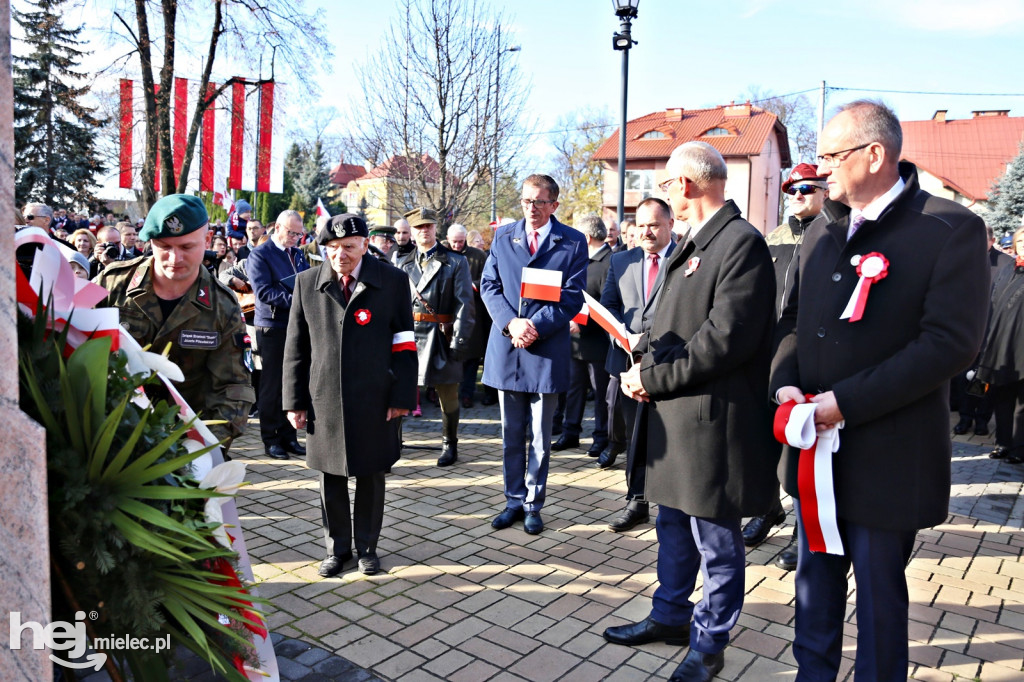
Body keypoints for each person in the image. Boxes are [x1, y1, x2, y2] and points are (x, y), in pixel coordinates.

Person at [771, 100, 988, 680]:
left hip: (888, 458)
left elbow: (948, 345)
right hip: (815, 452)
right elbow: (792, 323)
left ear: (875, 154)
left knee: (878, 603)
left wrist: (844, 404)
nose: (819, 171)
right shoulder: (821, 229)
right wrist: (785, 385)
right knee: (813, 591)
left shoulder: (949, 228)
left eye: (831, 156)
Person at [605, 142, 778, 681]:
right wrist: (640, 350)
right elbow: (673, 321)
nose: (661, 194)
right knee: (673, 526)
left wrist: (652, 378)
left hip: (709, 421)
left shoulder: (740, 243)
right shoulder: (692, 243)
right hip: (673, 417)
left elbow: (725, 341)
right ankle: (670, 615)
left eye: (663, 184)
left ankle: (709, 642)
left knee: (717, 540)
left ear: (684, 185)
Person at [282, 213, 416, 578]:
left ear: (365, 243)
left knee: (372, 473)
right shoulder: (306, 283)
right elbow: (296, 348)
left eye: (349, 247)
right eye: (333, 248)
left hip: (376, 397)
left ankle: (368, 547)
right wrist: (293, 401)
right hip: (323, 397)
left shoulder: (392, 281)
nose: (341, 255)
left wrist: (402, 396)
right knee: (330, 476)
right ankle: (336, 549)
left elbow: (404, 342)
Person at [96, 194, 255, 451]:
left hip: (185, 442)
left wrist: (203, 450)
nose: (174, 258)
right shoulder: (113, 284)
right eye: (164, 246)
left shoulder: (222, 305)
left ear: (206, 241)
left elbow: (232, 389)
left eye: (186, 247)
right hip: (109, 435)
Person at [480, 174, 588, 535]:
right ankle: (512, 500)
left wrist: (534, 326)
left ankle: (532, 503)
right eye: (526, 201)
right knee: (512, 433)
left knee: (541, 437)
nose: (532, 208)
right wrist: (512, 324)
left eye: (540, 202)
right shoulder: (503, 235)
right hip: (508, 347)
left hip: (545, 352)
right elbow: (489, 285)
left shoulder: (572, 242)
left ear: (554, 205)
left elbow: (573, 297)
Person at [743, 163, 832, 571]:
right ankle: (767, 508)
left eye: (805, 189)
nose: (795, 196)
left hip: (808, 357)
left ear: (825, 191)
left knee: (801, 446)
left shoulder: (832, 234)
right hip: (768, 355)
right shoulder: (772, 239)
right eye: (790, 190)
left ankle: (802, 525)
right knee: (763, 438)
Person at [598, 197, 676, 531]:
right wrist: (621, 336)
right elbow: (608, 304)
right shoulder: (621, 261)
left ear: (670, 223)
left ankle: (674, 502)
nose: (646, 232)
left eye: (654, 225)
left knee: (671, 436)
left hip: (669, 363)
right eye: (641, 225)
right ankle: (637, 500)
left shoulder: (685, 259)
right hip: (628, 362)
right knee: (634, 436)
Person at [395, 208, 475, 467]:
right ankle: (392, 443)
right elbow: (393, 304)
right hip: (408, 335)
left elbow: (465, 305)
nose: (424, 231)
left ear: (435, 228)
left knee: (448, 392)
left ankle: (449, 444)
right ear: (413, 232)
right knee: (398, 390)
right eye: (418, 228)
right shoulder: (402, 262)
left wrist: (459, 342)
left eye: (428, 226)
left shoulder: (455, 261)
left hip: (441, 335)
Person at [248, 209, 310, 460]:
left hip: (296, 326)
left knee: (293, 383)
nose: (296, 237)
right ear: (277, 228)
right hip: (272, 327)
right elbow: (263, 292)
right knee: (272, 385)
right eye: (291, 232)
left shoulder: (297, 254)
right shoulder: (260, 255)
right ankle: (270, 438)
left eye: (299, 233)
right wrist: (298, 300)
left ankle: (289, 436)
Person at [552, 214, 614, 457]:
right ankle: (570, 432)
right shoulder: (578, 260)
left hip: (597, 341)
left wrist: (583, 323)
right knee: (573, 388)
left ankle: (601, 437)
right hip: (574, 340)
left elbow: (607, 303)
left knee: (600, 393)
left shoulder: (611, 261)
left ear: (586, 237)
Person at [953, 222, 1013, 437]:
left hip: (992, 331)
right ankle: (965, 418)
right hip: (966, 331)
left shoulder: (1006, 263)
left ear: (992, 241)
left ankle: (982, 420)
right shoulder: (962, 260)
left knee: (985, 379)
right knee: (963, 379)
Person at [977, 224, 1024, 463]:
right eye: (1021, 242)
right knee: (1002, 398)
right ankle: (1003, 443)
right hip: (1000, 344)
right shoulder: (1008, 269)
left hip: (1022, 347)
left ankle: (1019, 448)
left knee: (1021, 403)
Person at [446, 223, 490, 408]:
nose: (457, 245)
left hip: (473, 312)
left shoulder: (478, 256)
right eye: (454, 242)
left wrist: (472, 285)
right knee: (451, 356)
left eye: (461, 242)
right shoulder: (444, 254)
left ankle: (467, 394)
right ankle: (449, 394)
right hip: (448, 313)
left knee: (471, 357)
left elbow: (488, 279)